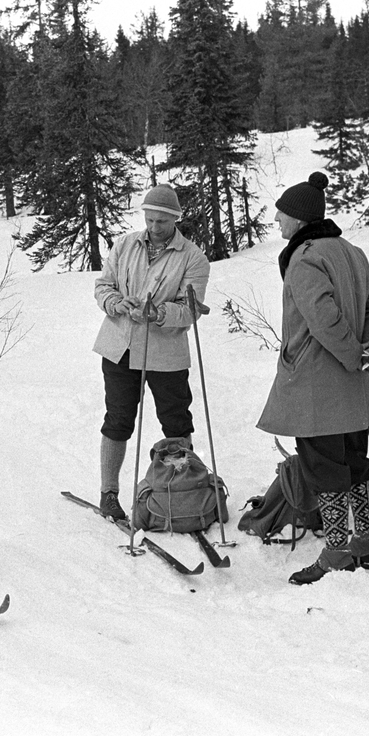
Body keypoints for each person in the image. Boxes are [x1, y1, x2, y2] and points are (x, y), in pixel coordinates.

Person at [256, 172, 369, 585]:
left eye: (281, 215)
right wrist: (368, 350)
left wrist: (354, 355)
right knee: (354, 461)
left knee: (324, 465)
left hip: (317, 385)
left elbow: (322, 317)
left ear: (298, 219)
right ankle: (366, 545)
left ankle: (336, 553)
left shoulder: (305, 257)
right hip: (352, 387)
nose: (276, 221)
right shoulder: (351, 251)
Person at [92, 185, 210, 522]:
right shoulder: (125, 244)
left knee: (176, 422)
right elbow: (103, 286)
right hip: (119, 346)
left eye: (161, 221)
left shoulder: (193, 258)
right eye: (149, 219)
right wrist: (116, 302)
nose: (154, 227)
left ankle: (182, 491)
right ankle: (109, 493)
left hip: (166, 351)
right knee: (118, 420)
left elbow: (191, 310)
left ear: (175, 219)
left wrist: (160, 314)